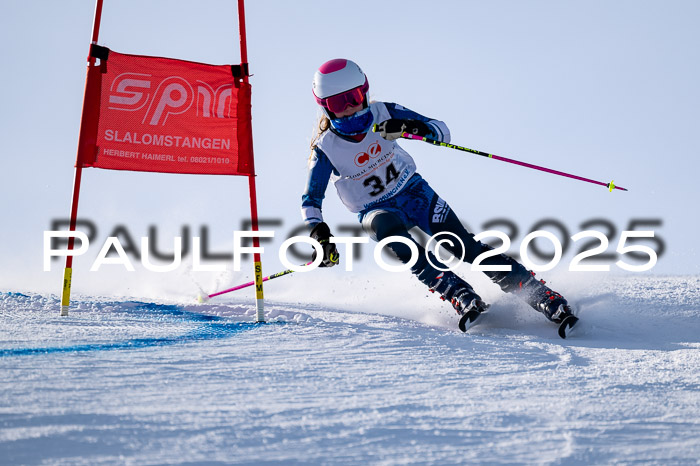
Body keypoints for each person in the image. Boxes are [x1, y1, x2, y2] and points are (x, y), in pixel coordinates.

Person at [301, 58, 577, 335]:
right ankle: (459, 293)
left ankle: (542, 297)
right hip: (375, 210)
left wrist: (410, 127)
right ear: (326, 107)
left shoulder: (385, 113)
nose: (349, 107)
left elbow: (441, 129)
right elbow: (311, 200)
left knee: (463, 247)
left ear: (365, 92)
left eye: (353, 97)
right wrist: (319, 233)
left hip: (414, 194)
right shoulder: (326, 147)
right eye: (338, 103)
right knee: (390, 232)